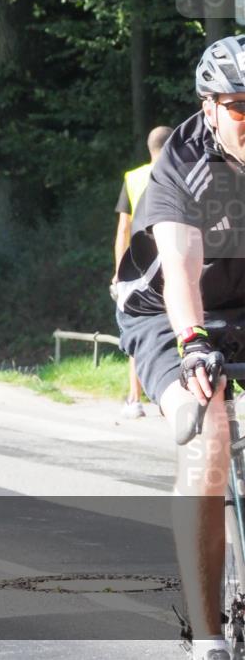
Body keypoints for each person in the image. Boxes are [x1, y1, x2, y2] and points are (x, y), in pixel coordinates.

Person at [116, 35, 245, 660]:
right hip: (167, 311)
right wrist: (194, 344)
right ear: (210, 106)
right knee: (207, 427)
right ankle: (207, 631)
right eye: (242, 104)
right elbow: (181, 267)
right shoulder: (181, 165)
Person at [112, 125, 173, 419]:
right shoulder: (182, 170)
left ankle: (135, 397)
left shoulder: (134, 177)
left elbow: (124, 227)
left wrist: (117, 272)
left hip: (141, 262)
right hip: (174, 255)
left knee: (140, 328)